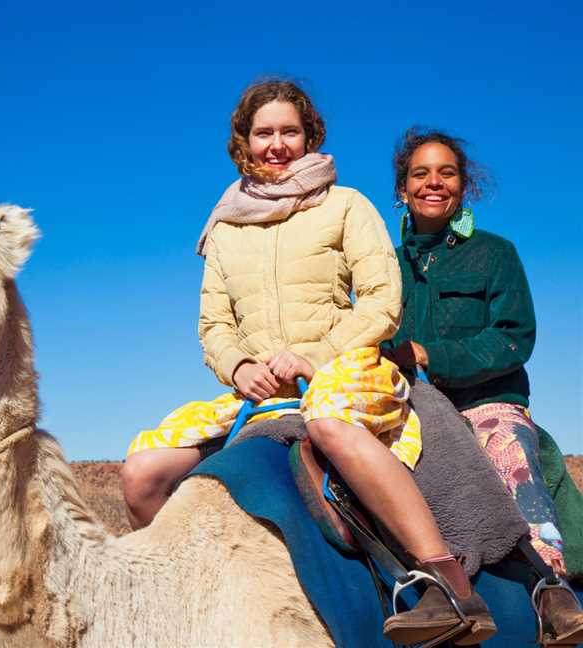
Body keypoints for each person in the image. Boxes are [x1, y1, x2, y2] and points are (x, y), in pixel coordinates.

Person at [122, 80, 495, 645]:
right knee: (141, 471)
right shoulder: (224, 228)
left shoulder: (346, 205)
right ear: (243, 142)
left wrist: (315, 355)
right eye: (264, 133)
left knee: (330, 423)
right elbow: (213, 326)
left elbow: (380, 300)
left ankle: (447, 582)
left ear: (309, 135)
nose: (277, 145)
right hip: (258, 387)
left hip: (339, 367)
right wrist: (240, 367)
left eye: (289, 132)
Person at [384, 128, 583, 645]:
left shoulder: (495, 253)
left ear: (463, 185)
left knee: (508, 453)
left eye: (446, 172)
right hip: (410, 404)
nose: (433, 183)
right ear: (402, 189)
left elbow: (514, 338)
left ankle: (550, 586)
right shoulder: (382, 264)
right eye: (419, 173)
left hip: (486, 399)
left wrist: (433, 355)